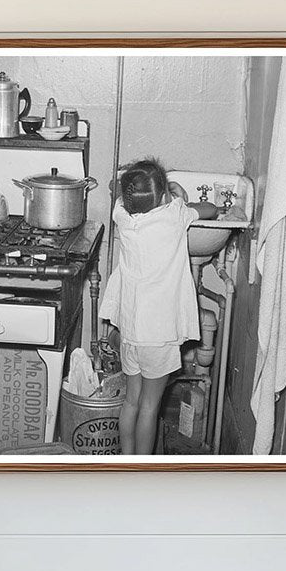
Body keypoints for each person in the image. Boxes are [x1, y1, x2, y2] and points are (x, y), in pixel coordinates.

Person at [99, 159, 215, 454]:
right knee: (150, 408)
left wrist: (152, 189)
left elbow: (117, 191)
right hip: (158, 337)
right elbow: (209, 211)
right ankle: (142, 467)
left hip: (130, 333)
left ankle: (126, 461)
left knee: (131, 402)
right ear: (164, 197)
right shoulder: (174, 215)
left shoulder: (122, 218)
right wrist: (177, 191)